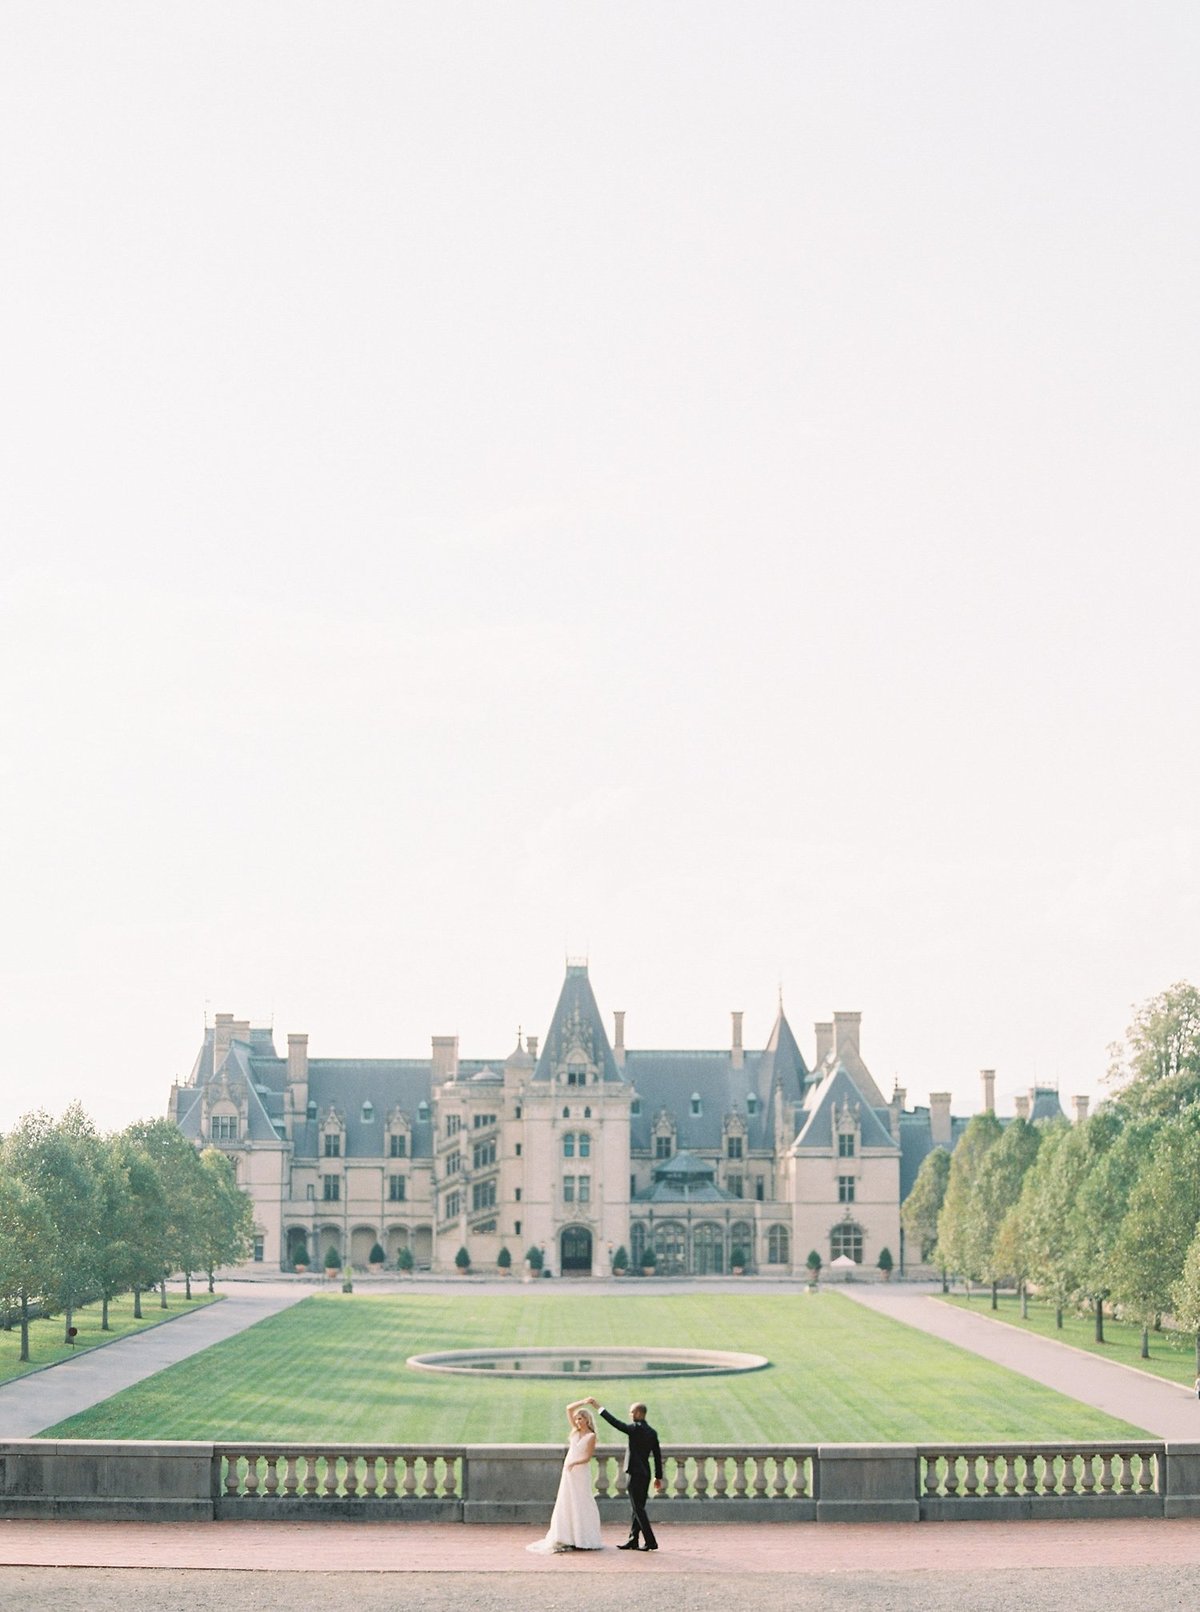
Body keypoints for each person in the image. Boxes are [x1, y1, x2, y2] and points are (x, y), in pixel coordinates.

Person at [526, 1399, 603, 1554]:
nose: (577, 1421)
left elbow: (587, 1457)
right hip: (569, 1471)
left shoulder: (591, 1436)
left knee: (581, 1500)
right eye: (576, 1419)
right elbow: (568, 1408)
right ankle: (567, 1535)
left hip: (579, 1471)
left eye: (580, 1418)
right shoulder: (575, 1431)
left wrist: (574, 1463)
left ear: (587, 1420)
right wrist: (584, 1401)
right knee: (567, 1500)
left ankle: (583, 1536)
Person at [587, 1396, 663, 1552]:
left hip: (635, 1473)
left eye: (632, 1412)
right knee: (638, 1507)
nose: (630, 1415)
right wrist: (658, 1477)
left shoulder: (635, 1429)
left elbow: (615, 1423)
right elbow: (657, 1456)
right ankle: (633, 1540)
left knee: (638, 1509)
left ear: (639, 1413)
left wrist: (598, 1407)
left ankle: (650, 1541)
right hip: (646, 1474)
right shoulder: (652, 1432)